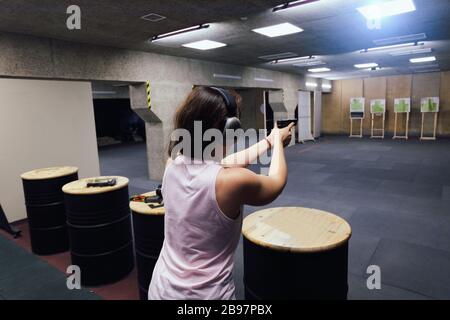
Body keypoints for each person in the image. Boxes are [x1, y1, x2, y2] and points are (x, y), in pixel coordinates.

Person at [148, 86, 294, 300]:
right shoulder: (231, 181)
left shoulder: (173, 164)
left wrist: (268, 142)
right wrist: (279, 145)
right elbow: (276, 182)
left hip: (161, 289)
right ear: (229, 129)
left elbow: (222, 165)